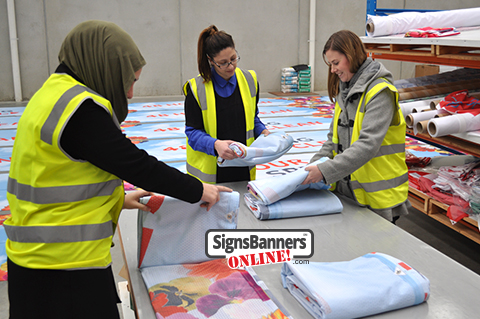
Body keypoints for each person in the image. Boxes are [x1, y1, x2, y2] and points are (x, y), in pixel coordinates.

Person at [5, 20, 230, 319]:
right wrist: (199, 189)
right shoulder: (79, 108)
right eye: (129, 81)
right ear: (105, 67)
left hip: (39, 264)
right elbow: (135, 164)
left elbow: (57, 176)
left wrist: (116, 199)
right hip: (63, 272)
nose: (132, 93)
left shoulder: (53, 94)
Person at [302, 30, 409, 223]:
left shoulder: (380, 92)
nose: (333, 70)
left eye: (336, 63)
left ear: (351, 56)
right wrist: (313, 166)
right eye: (330, 64)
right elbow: (332, 140)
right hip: (350, 193)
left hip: (379, 197)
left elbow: (367, 145)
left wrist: (325, 171)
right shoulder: (345, 91)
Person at [183, 25, 271, 184]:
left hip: (244, 168)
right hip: (211, 176)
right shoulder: (196, 89)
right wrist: (215, 145)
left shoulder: (250, 80)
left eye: (233, 58)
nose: (230, 66)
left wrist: (264, 132)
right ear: (210, 60)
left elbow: (253, 119)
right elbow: (192, 133)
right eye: (222, 63)